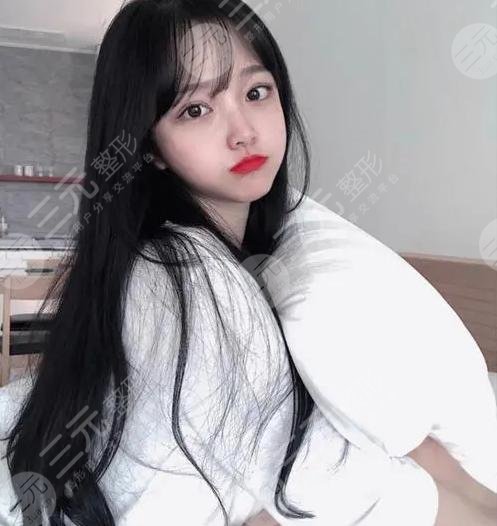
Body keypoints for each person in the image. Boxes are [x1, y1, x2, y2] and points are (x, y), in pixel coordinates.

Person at [0, 1, 495, 525]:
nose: (243, 132)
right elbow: (301, 494)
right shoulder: (188, 278)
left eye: (256, 92)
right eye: (195, 110)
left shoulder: (229, 256)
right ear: (151, 147)